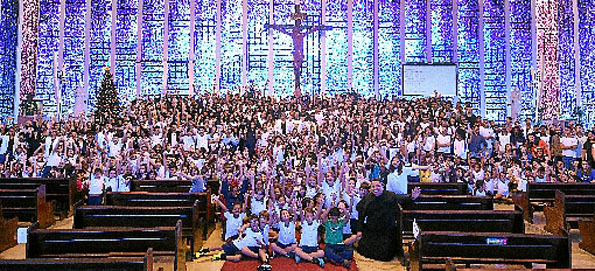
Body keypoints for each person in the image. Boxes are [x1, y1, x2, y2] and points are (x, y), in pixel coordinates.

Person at [356, 180, 421, 261]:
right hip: (372, 229)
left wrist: (412, 197)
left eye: (378, 186)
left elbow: (404, 199)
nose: (375, 188)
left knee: (385, 255)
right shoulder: (368, 197)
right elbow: (360, 213)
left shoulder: (390, 196)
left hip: (386, 230)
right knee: (364, 249)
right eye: (373, 186)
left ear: (383, 187)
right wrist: (359, 230)